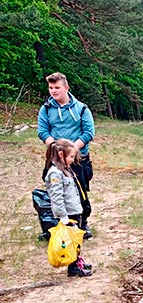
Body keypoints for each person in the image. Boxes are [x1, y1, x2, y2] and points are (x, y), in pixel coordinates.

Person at [38, 72, 95, 239]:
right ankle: (55, 225)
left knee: (80, 191)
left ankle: (82, 224)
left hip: (78, 157)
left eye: (57, 87)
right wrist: (56, 149)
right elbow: (42, 131)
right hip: (56, 158)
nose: (53, 91)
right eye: (51, 88)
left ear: (66, 88)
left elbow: (88, 133)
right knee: (55, 190)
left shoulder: (82, 108)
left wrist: (71, 150)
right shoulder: (46, 109)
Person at [44, 139, 93, 277]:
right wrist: (63, 217)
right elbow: (56, 197)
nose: (73, 160)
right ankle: (73, 268)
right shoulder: (55, 173)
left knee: (76, 239)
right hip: (68, 215)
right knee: (71, 241)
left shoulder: (65, 170)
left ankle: (77, 262)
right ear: (61, 154)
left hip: (75, 211)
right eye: (71, 157)